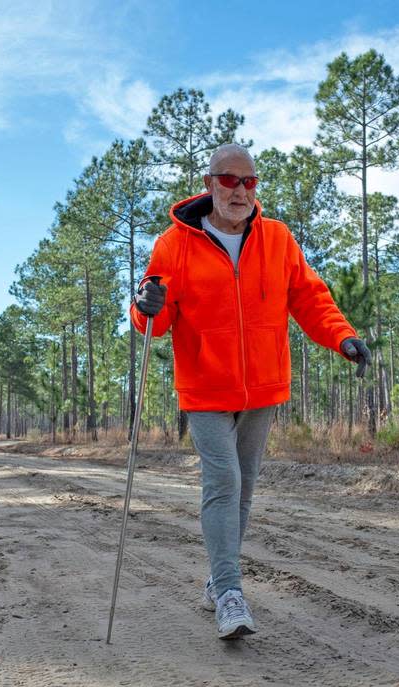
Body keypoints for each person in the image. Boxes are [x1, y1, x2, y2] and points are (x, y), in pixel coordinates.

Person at [129, 143, 371, 640]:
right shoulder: (173, 245)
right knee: (223, 483)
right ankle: (232, 593)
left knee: (244, 490)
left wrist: (341, 337)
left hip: (262, 387)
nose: (240, 191)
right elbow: (155, 320)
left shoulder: (277, 239)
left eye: (249, 182)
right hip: (205, 388)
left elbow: (309, 296)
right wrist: (145, 305)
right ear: (209, 182)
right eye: (230, 180)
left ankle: (218, 579)